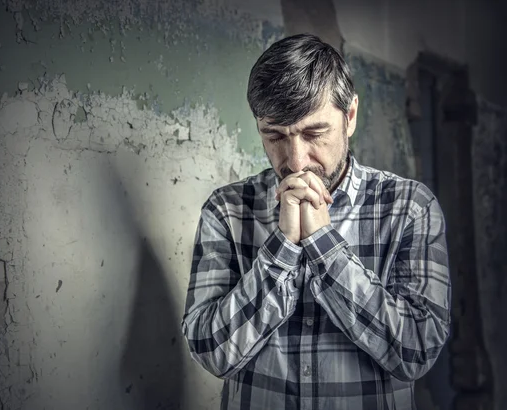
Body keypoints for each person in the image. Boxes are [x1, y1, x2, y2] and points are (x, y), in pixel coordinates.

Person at [180, 33, 451, 410]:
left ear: (350, 116)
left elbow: (417, 350)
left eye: (314, 133)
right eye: (274, 135)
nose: (296, 161)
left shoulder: (411, 208)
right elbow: (210, 351)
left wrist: (324, 245)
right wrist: (282, 250)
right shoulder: (226, 210)